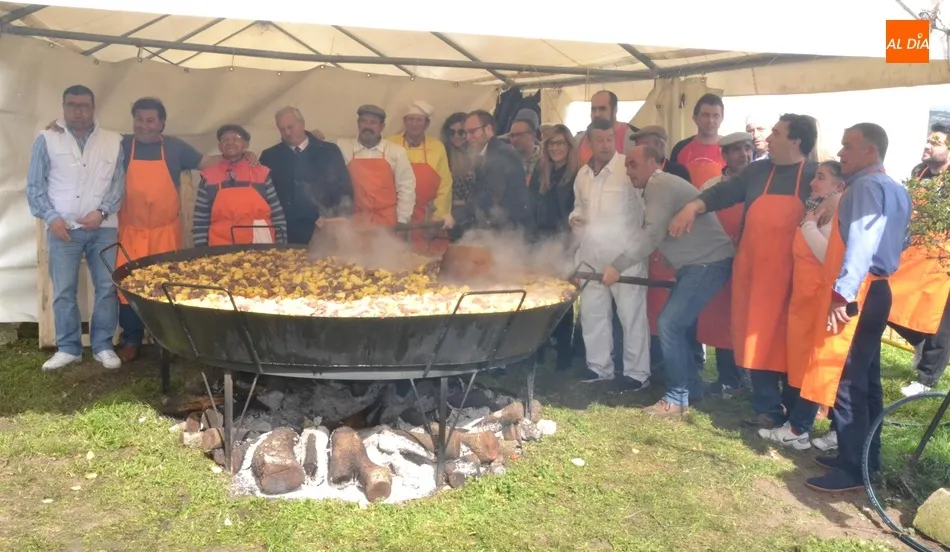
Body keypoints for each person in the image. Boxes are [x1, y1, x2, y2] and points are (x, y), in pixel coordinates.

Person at [43, 97, 260, 362]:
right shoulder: (120, 144)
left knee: (167, 286)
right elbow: (86, 139)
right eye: (139, 120)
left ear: (161, 124)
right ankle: (132, 339)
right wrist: (57, 127)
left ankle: (167, 340)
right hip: (131, 230)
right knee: (128, 288)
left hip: (164, 231)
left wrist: (239, 155)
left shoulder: (175, 147)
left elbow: (206, 162)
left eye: (150, 120)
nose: (144, 126)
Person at [669, 114, 818, 429]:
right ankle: (766, 406)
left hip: (795, 275)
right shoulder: (757, 171)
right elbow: (724, 193)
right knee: (757, 337)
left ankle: (796, 406)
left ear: (797, 141)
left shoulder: (814, 176)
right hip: (755, 272)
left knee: (792, 340)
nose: (768, 138)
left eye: (776, 133)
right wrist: (693, 206)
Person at [803, 123, 911, 492]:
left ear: (870, 151)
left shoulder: (865, 187)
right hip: (879, 288)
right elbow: (903, 239)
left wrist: (843, 294)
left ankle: (851, 468)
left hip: (859, 292)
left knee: (848, 380)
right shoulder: (895, 188)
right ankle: (868, 456)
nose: (841, 152)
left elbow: (862, 242)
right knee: (868, 379)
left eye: (849, 146)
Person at [621, 145, 735, 416]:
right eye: (626, 166)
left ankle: (676, 397)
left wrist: (616, 268)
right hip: (699, 264)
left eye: (633, 164)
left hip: (707, 264)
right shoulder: (658, 186)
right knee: (675, 324)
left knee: (669, 324)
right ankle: (689, 389)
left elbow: (652, 235)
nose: (628, 171)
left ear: (652, 163)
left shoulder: (659, 185)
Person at [26, 85, 125, 371]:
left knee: (106, 287)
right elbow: (35, 185)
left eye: (84, 105)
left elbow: (118, 184)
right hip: (62, 228)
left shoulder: (113, 140)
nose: (78, 111)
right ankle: (68, 348)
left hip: (104, 227)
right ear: (63, 107)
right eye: (72, 105)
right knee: (64, 289)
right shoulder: (46, 139)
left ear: (94, 108)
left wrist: (103, 211)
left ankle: (103, 345)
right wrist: (51, 218)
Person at [758, 160, 845, 450]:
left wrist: (808, 225)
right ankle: (798, 424)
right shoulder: (816, 209)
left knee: (815, 365)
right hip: (803, 300)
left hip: (822, 301)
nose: (813, 182)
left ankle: (801, 427)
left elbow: (828, 256)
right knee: (800, 364)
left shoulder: (837, 215)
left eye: (821, 178)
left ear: (838, 186)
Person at [569, 118, 650, 388]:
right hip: (591, 254)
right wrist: (575, 218)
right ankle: (598, 368)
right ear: (589, 143)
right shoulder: (582, 174)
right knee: (593, 313)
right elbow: (578, 207)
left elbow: (645, 208)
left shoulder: (628, 167)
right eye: (599, 140)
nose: (605, 145)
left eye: (609, 139)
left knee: (631, 316)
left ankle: (636, 374)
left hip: (625, 255)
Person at [887, 123, 950, 397]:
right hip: (916, 252)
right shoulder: (919, 172)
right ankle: (920, 341)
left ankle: (926, 379)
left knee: (942, 322)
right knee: (887, 298)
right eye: (927, 141)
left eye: (935, 142)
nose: (927, 146)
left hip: (945, 260)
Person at [699, 132, 755, 396]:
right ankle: (728, 377)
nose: (743, 155)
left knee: (752, 320)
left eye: (747, 149)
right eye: (736, 150)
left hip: (755, 262)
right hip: (721, 259)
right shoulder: (712, 186)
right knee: (723, 319)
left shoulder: (763, 182)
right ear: (724, 155)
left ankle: (753, 376)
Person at [259, 106, 353, 245]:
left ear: (302, 124)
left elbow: (344, 188)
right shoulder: (269, 156)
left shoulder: (328, 150)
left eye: (290, 127)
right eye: (282, 129)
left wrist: (335, 219)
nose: (287, 133)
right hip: (286, 232)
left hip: (324, 228)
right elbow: (263, 195)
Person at [528, 124, 578, 371]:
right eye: (551, 144)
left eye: (560, 143)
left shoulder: (578, 173)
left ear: (569, 146)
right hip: (541, 239)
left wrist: (569, 243)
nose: (556, 148)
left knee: (562, 298)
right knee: (539, 295)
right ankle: (539, 346)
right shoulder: (541, 171)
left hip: (565, 240)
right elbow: (531, 204)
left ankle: (564, 353)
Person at [193, 125, 287, 246]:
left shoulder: (261, 173)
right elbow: (200, 219)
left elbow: (277, 213)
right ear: (219, 147)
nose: (230, 142)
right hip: (220, 249)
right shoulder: (208, 176)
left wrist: (281, 245)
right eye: (225, 139)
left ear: (245, 145)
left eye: (236, 138)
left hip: (260, 246)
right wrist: (201, 250)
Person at [384, 101, 453, 252]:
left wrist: (439, 215)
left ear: (427, 124)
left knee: (423, 263)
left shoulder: (437, 147)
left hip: (426, 218)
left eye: (419, 120)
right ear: (404, 121)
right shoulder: (389, 143)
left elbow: (445, 185)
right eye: (410, 119)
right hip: (395, 214)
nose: (414, 124)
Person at [451, 110, 533, 236]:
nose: (467, 138)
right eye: (466, 133)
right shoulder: (485, 154)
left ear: (488, 129)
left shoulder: (502, 154)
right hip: (496, 227)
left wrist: (457, 216)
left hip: (512, 231)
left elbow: (490, 194)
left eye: (473, 132)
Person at [336, 105, 415, 226]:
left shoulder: (396, 152)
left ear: (382, 126)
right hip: (355, 221)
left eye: (373, 122)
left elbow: (406, 188)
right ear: (358, 123)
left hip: (387, 222)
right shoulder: (342, 147)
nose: (367, 126)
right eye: (364, 121)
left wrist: (403, 221)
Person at [669, 94, 727, 187]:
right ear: (695, 118)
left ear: (722, 119)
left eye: (716, 115)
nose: (710, 121)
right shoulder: (680, 149)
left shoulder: (730, 148)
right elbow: (671, 185)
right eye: (705, 115)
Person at [574, 90, 636, 164]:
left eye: (602, 109)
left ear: (615, 110)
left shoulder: (634, 139)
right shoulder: (579, 139)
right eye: (593, 109)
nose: (597, 114)